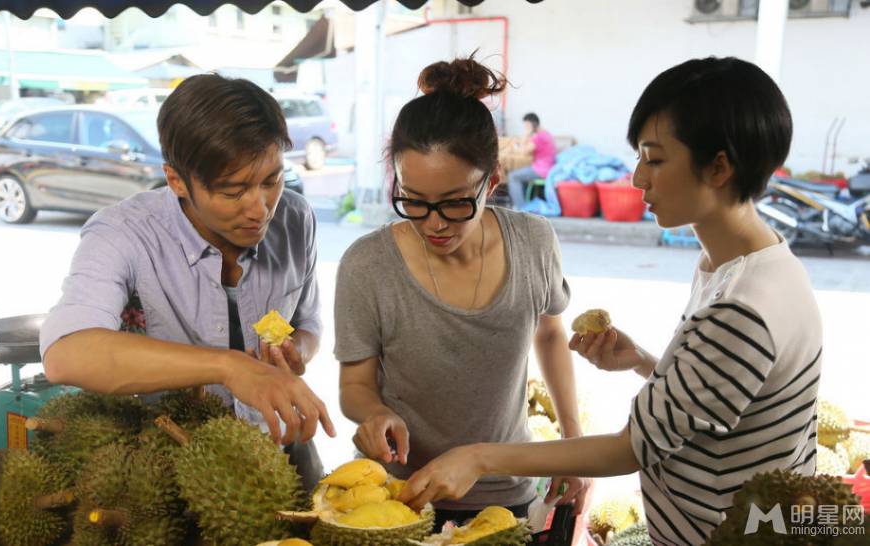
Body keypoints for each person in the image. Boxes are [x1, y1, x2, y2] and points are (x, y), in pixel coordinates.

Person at [398, 57, 822, 546]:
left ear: (719, 166)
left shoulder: (743, 306)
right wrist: (644, 362)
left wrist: (479, 456)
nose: (638, 178)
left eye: (655, 159)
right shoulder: (744, 265)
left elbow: (630, 449)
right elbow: (729, 401)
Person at [39, 74, 335, 489]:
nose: (260, 208)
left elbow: (308, 323)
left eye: (271, 180)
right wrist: (229, 368)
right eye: (233, 191)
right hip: (173, 466)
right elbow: (67, 353)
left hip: (281, 451)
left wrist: (294, 352)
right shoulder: (123, 233)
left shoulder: (295, 218)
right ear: (177, 180)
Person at [334, 56, 591, 532]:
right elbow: (355, 385)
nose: (433, 223)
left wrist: (571, 438)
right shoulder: (367, 265)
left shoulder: (533, 243)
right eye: (412, 200)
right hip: (396, 497)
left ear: (491, 182)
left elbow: (551, 335)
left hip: (505, 492)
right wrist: (374, 414)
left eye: (455, 203)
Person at [506, 112, 556, 209]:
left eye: (526, 126)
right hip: (546, 167)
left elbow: (524, 151)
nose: (525, 128)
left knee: (513, 176)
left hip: (542, 170)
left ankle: (521, 207)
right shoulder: (545, 134)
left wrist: (526, 134)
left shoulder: (539, 137)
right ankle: (523, 204)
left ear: (531, 124)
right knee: (519, 175)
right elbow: (527, 150)